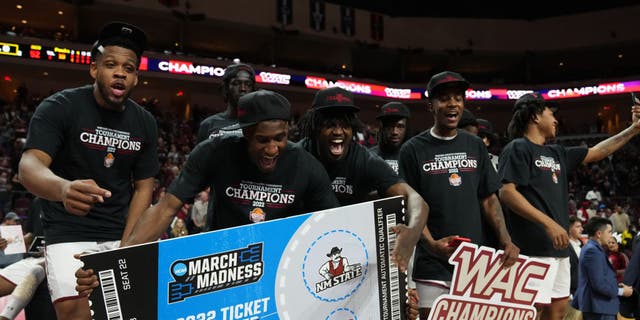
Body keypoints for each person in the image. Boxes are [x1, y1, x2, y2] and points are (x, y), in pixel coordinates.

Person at [18, 21, 158, 320]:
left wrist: (128, 245)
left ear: (135, 78)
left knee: (134, 312)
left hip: (121, 232)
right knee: (77, 314)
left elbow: (145, 185)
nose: (120, 72)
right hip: (69, 231)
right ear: (94, 69)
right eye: (110, 64)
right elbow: (29, 165)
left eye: (129, 68)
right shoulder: (60, 107)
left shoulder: (145, 122)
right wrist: (64, 188)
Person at [498, 92, 640, 320]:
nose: (555, 120)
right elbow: (507, 192)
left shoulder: (556, 152)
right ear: (535, 116)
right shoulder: (518, 148)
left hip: (559, 251)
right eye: (550, 114)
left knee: (558, 313)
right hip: (531, 250)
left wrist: (633, 130)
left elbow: (598, 151)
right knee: (530, 313)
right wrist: (549, 224)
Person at [397, 71, 519, 319]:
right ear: (430, 104)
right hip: (431, 264)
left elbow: (489, 199)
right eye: (443, 98)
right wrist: (432, 245)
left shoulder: (474, 145)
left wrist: (506, 240)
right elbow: (410, 207)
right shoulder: (412, 150)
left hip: (474, 263)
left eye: (458, 98)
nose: (452, 104)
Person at [297, 86, 428, 273]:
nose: (338, 131)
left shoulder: (364, 159)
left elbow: (415, 200)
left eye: (344, 125)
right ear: (316, 127)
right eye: (330, 125)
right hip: (302, 244)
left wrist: (412, 233)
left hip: (347, 246)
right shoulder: (298, 156)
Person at [572, 217, 633, 320]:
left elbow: (597, 278)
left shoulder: (592, 248)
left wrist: (616, 286)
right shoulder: (593, 251)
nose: (611, 235)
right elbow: (598, 285)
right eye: (609, 232)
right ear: (599, 234)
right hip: (599, 308)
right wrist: (622, 292)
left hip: (599, 307)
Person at [196, 63, 256, 143]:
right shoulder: (208, 124)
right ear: (226, 88)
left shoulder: (259, 124)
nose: (243, 89)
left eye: (248, 84)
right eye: (236, 83)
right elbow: (200, 155)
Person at [369, 101, 412, 174]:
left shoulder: (415, 156)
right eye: (389, 126)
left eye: (400, 126)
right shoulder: (369, 156)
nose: (394, 132)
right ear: (382, 128)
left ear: (406, 129)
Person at [567, 215, 584, 320]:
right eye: (578, 226)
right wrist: (567, 293)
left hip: (582, 292)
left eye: (581, 226)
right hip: (570, 293)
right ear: (569, 229)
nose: (581, 229)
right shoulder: (564, 246)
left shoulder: (582, 246)